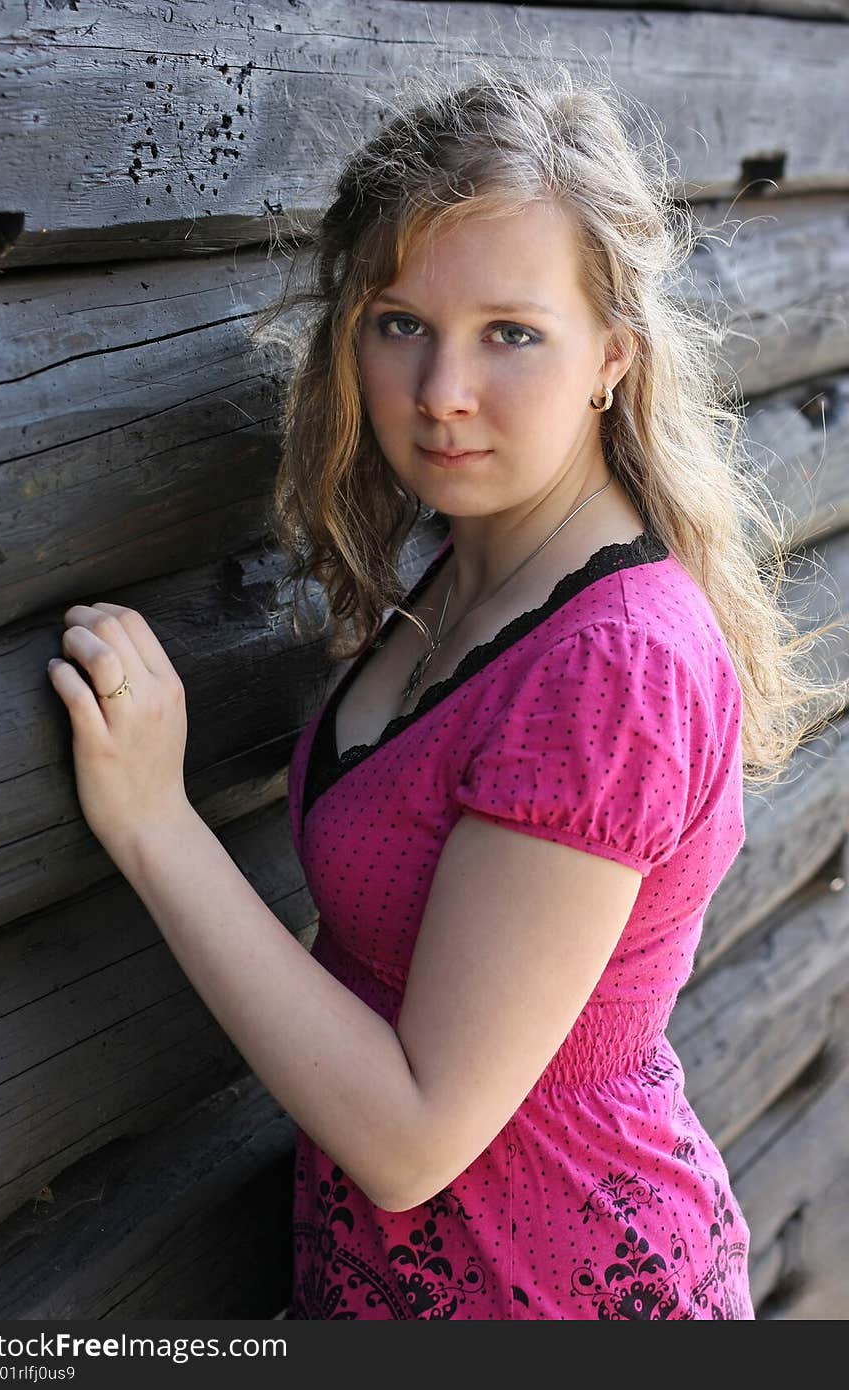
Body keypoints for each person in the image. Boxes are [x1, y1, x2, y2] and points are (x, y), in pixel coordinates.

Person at [46, 61, 845, 1320]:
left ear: (610, 360)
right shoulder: (452, 567)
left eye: (510, 334)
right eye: (399, 321)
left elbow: (416, 1135)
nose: (441, 393)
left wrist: (153, 821)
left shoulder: (612, 662)